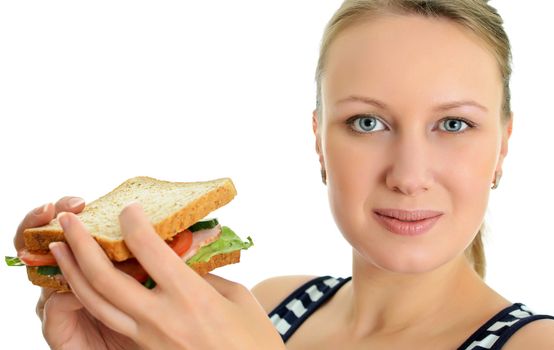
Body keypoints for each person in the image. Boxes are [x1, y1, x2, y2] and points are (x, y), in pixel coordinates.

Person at [12, 0, 554, 349]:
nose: (409, 176)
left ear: (503, 145)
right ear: (319, 139)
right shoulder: (267, 307)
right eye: (367, 122)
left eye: (454, 124)